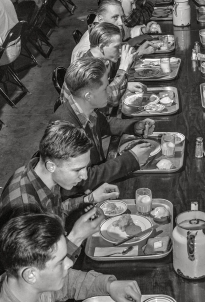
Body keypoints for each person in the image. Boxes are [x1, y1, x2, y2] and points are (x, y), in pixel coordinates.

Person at [0, 213, 142, 302]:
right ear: (31, 275)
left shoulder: (32, 284)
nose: (69, 263)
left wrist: (110, 285)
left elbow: (70, 282)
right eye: (60, 262)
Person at [0, 121, 120, 261]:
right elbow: (41, 274)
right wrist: (76, 236)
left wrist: (89, 198)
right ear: (51, 166)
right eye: (77, 170)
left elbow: (53, 211)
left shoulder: (41, 172)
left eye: (85, 167)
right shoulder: (26, 212)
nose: (85, 176)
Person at [52, 57, 156, 192]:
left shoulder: (84, 107)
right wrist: (131, 158)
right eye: (105, 88)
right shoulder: (65, 129)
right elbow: (83, 180)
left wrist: (134, 126)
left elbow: (105, 123)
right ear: (89, 95)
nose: (110, 92)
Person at [64, 23, 147, 107]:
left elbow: (105, 85)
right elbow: (111, 99)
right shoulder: (89, 71)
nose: (120, 50)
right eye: (116, 47)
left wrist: (126, 85)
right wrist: (124, 68)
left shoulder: (102, 60)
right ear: (101, 47)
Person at [71, 0, 156, 63]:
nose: (121, 23)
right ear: (100, 18)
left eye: (122, 18)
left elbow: (116, 57)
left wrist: (138, 52)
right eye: (115, 17)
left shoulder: (105, 36)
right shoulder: (86, 49)